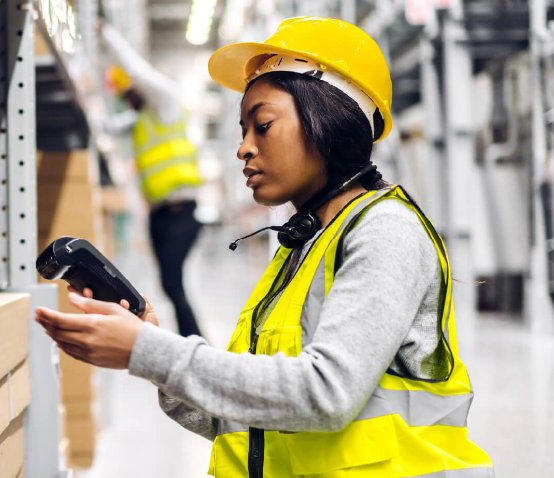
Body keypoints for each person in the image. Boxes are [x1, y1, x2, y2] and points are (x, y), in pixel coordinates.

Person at [37, 16, 494, 477]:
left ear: (329, 121)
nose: (243, 148)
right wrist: (150, 345)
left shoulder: (384, 232)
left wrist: (146, 351)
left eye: (263, 125)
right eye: (242, 130)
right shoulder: (301, 249)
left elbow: (325, 394)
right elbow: (244, 420)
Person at [99, 22, 205, 338]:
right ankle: (192, 341)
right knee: (169, 283)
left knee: (173, 283)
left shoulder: (165, 102)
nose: (127, 100)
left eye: (129, 92)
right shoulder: (140, 117)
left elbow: (136, 69)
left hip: (179, 210)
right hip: (160, 214)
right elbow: (106, 125)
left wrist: (106, 32)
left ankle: (195, 343)